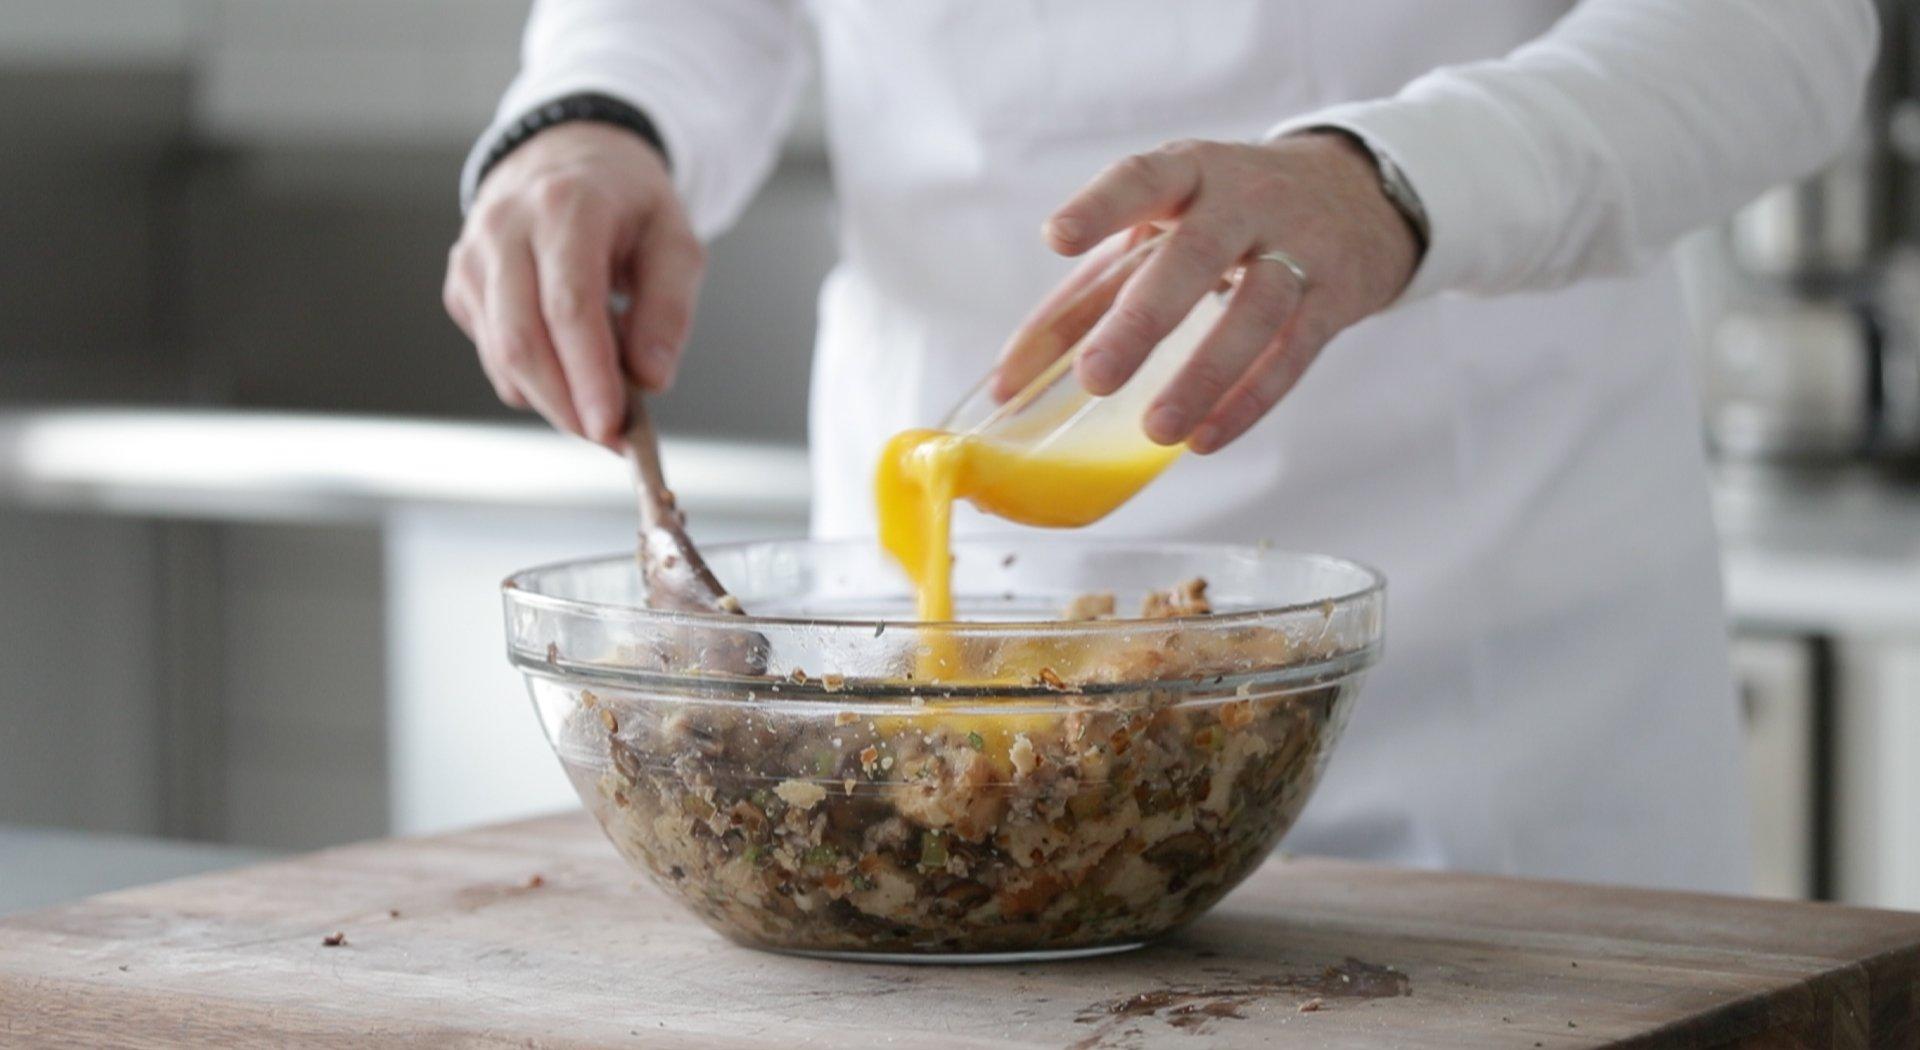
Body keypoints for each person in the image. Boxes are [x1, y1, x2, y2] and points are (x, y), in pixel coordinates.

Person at [444, 1, 1877, 893]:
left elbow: (1786, 27)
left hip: (1499, 707)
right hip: (926, 661)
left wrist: (1391, 182)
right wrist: (590, 124)